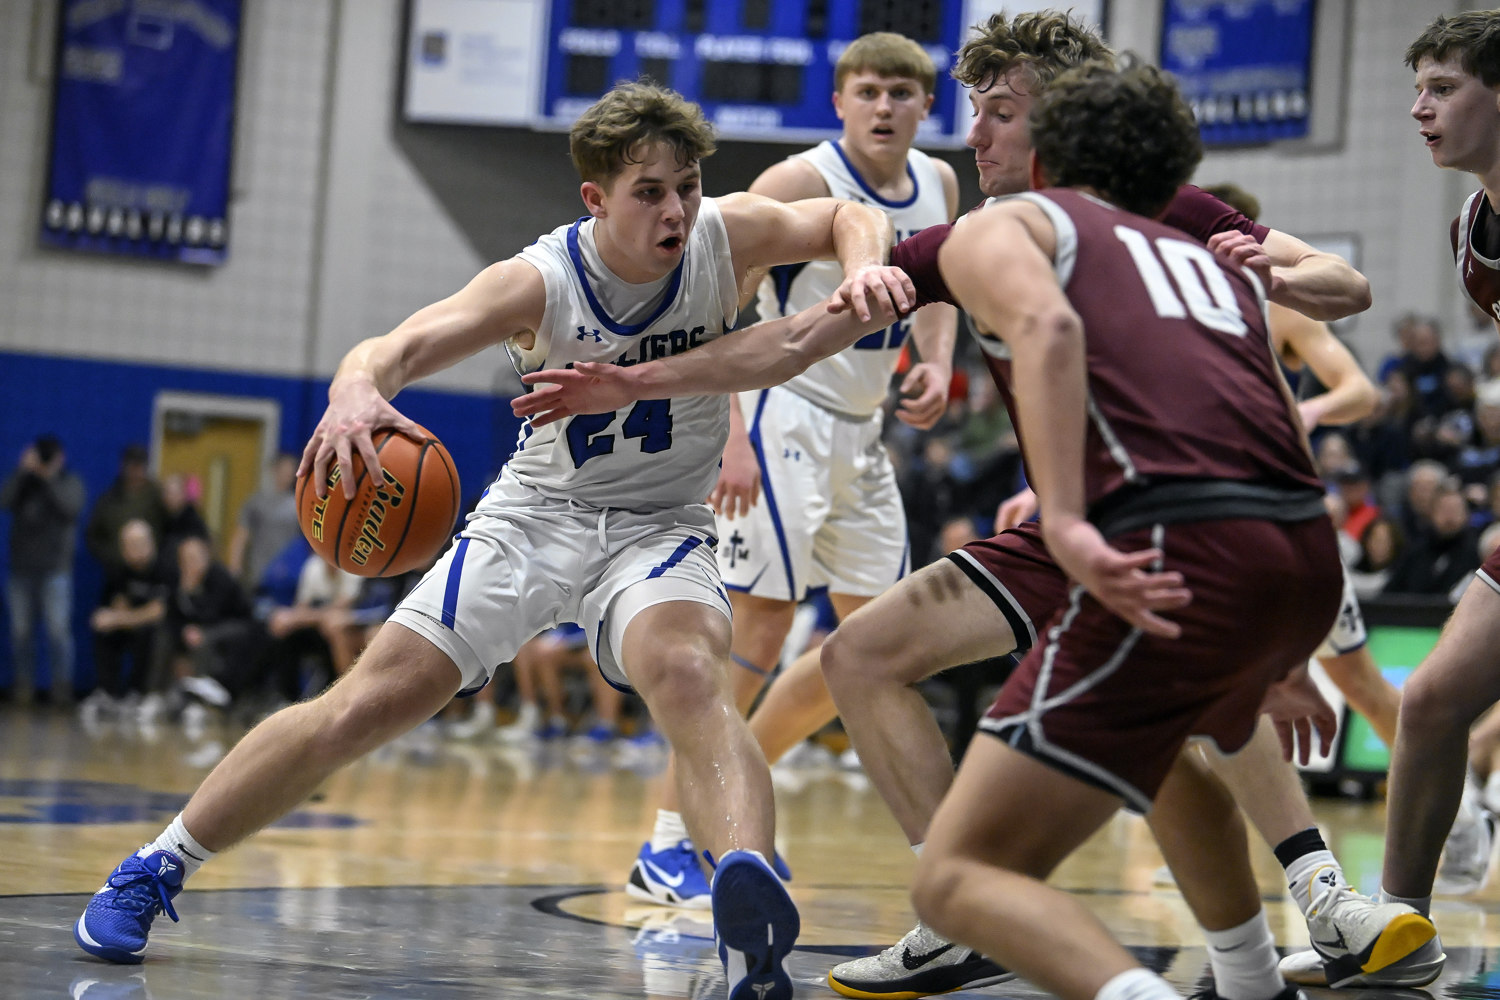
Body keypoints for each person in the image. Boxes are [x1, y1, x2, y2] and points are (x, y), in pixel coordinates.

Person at [512, 14, 1434, 1000]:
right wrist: (641, 383)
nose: (972, 133)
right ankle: (1245, 960)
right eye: (974, 111)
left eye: (999, 113)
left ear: (1062, 121)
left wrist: (1082, 508)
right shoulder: (1063, 235)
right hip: (1218, 526)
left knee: (1005, 833)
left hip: (1140, 522)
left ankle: (1273, 903)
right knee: (868, 656)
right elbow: (791, 337)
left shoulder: (1123, 216)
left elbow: (1062, 324)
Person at [72, 79, 909, 1000]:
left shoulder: (726, 233)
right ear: (595, 199)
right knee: (364, 707)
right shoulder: (539, 280)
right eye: (650, 192)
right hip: (535, 518)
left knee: (691, 674)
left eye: (689, 185)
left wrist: (866, 263)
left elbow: (841, 214)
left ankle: (747, 926)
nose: (677, 209)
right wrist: (356, 389)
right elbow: (393, 347)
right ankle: (155, 865)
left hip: (658, 528)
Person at [629, 30, 961, 909]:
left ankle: (729, 812)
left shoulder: (941, 184)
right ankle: (668, 843)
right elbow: (713, 312)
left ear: (927, 106)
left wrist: (935, 359)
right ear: (840, 101)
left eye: (901, 92)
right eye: (869, 91)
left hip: (861, 428)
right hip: (781, 415)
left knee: (872, 643)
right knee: (760, 632)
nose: (885, 107)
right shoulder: (795, 184)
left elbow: (936, 289)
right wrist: (727, 432)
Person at [2, 434, 85, 707]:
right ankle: (23, 687)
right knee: (20, 632)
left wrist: (48, 476)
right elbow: (5, 499)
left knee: (58, 632)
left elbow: (69, 508)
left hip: (55, 571)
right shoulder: (23, 482)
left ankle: (61, 689)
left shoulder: (69, 482)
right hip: (21, 570)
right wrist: (23, 471)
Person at [85, 519, 169, 714]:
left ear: (151, 543)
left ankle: (138, 693)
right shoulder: (119, 570)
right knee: (104, 630)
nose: (135, 549)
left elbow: (157, 612)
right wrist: (116, 617)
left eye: (140, 543)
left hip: (159, 629)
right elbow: (113, 606)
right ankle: (107, 692)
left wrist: (122, 618)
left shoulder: (165, 568)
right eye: (130, 545)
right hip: (131, 623)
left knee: (149, 634)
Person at [85, 445, 166, 576]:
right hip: (117, 572)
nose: (135, 470)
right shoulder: (108, 499)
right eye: (132, 464)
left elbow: (170, 530)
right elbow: (93, 536)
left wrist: (154, 557)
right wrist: (114, 556)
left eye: (139, 465)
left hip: (153, 573)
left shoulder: (158, 497)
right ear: (123, 465)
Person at [227, 453, 299, 592]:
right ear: (275, 470)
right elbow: (241, 535)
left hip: (288, 573)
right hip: (259, 571)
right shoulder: (257, 502)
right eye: (284, 471)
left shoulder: (297, 505)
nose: (287, 475)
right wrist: (234, 566)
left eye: (290, 472)